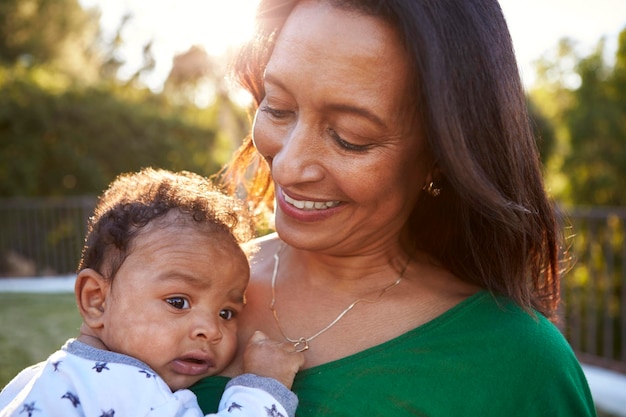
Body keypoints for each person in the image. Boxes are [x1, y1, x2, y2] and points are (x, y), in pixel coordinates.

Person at [189, 0, 598, 416]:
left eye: (351, 137)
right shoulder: (164, 282)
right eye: (277, 107)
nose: (290, 165)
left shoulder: (519, 367)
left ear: (442, 153)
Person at [0, 168, 303, 417]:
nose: (211, 331)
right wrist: (262, 387)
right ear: (96, 300)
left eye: (226, 313)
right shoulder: (129, 389)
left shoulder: (37, 380)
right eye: (178, 302)